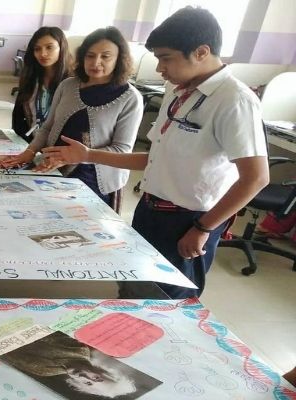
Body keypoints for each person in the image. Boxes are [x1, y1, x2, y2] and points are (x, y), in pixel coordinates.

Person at [40, 7, 269, 299]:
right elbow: (156, 158)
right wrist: (88, 155)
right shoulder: (178, 92)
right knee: (133, 287)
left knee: (169, 299)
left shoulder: (234, 100)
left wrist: (203, 228)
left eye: (166, 58)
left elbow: (255, 178)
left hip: (189, 220)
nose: (160, 68)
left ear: (201, 52)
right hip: (150, 209)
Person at [2, 27, 142, 212]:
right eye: (90, 56)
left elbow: (121, 149)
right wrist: (30, 151)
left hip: (94, 178)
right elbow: (48, 127)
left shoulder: (130, 97)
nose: (96, 62)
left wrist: (75, 156)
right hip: (51, 167)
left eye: (105, 57)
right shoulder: (68, 85)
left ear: (119, 59)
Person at [11, 27, 72, 142]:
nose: (43, 54)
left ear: (62, 47)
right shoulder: (31, 78)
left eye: (49, 47)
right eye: (37, 49)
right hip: (32, 143)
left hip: (60, 146)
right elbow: (18, 118)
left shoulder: (72, 82)